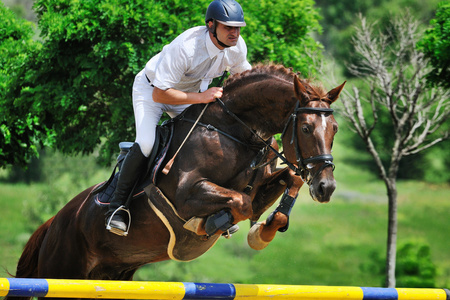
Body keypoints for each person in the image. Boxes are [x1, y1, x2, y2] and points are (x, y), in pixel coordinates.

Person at [105, 0, 252, 236]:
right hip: (151, 91)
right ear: (211, 25)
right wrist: (202, 97)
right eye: (228, 28)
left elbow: (245, 77)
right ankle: (117, 207)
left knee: (207, 141)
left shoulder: (236, 47)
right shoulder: (187, 47)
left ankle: (215, 207)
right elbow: (160, 93)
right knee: (146, 143)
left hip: (188, 94)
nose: (234, 33)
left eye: (237, 28)